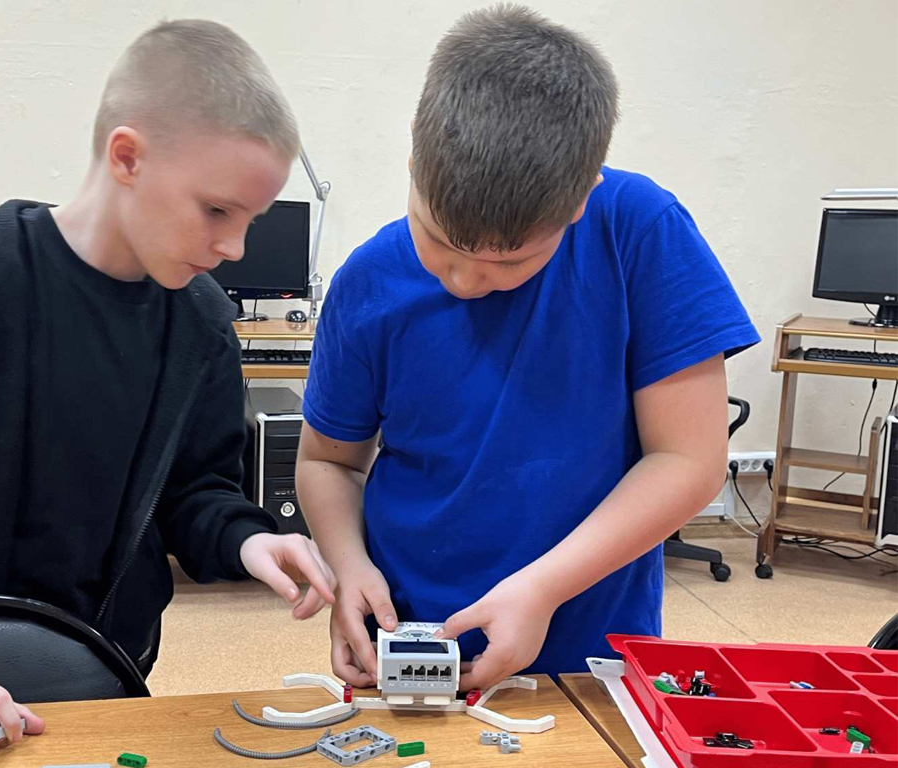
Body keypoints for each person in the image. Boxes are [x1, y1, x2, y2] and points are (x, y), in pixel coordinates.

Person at [0, 19, 336, 754]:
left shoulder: (202, 326)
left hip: (97, 672)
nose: (234, 247)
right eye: (217, 210)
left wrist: (247, 538)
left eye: (251, 220)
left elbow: (194, 489)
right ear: (128, 157)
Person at [296, 5, 760, 695]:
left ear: (580, 201)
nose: (464, 280)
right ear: (414, 164)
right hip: (407, 640)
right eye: (439, 241)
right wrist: (348, 566)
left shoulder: (638, 231)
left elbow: (689, 460)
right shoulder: (367, 282)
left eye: (509, 262)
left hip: (589, 650)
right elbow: (327, 461)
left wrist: (542, 589)